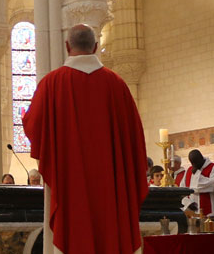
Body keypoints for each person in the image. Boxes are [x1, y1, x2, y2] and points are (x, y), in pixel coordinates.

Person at [23, 24, 148, 254]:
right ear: (96, 46)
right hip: (112, 188)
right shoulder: (117, 84)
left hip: (68, 185)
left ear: (67, 46)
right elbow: (135, 140)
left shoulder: (51, 84)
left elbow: (32, 126)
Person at [178, 149, 214, 219]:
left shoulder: (213, 168)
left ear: (201, 158)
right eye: (192, 163)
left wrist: (197, 174)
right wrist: (188, 203)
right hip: (193, 214)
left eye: (196, 163)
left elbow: (213, 185)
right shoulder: (189, 171)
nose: (194, 165)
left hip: (210, 214)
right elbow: (182, 190)